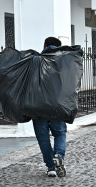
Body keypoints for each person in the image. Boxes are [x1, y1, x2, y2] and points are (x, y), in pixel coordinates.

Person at [32, 37, 67, 178]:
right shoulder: (64, 62)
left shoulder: (34, 61)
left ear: (44, 45)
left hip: (38, 105)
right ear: (58, 48)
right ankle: (58, 155)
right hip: (57, 105)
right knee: (59, 133)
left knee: (43, 138)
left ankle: (51, 167)